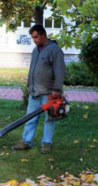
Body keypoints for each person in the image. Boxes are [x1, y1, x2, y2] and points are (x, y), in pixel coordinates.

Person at [12, 24, 66, 154]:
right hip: (34, 92)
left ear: (43, 34)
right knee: (30, 118)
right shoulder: (35, 50)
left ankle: (46, 143)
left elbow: (60, 71)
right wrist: (29, 85)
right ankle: (26, 141)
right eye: (32, 38)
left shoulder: (55, 49)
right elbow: (33, 69)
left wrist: (57, 89)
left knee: (49, 119)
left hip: (49, 93)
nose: (34, 40)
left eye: (36, 37)